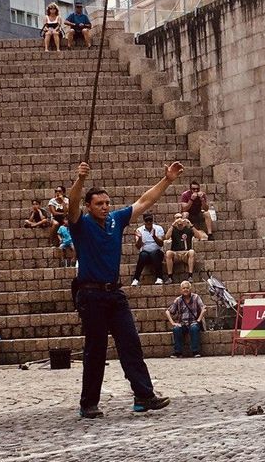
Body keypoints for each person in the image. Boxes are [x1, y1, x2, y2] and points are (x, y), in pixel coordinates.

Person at [67, 160, 182, 419]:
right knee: (95, 349)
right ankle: (88, 403)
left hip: (114, 293)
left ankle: (143, 396)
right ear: (88, 206)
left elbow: (144, 201)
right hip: (90, 293)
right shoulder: (80, 224)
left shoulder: (115, 220)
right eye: (99, 203)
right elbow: (72, 205)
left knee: (131, 343)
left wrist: (167, 180)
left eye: (107, 203)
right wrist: (80, 179)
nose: (105, 207)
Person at [165, 281, 206, 358]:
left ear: (190, 289)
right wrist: (173, 323)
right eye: (183, 288)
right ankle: (178, 352)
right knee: (176, 329)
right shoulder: (178, 300)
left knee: (194, 328)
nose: (185, 290)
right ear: (181, 290)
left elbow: (203, 309)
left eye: (187, 288)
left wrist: (198, 320)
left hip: (193, 322)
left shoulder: (196, 297)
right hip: (183, 323)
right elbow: (168, 311)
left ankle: (195, 351)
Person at [131, 213, 165, 286]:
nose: (149, 222)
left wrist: (154, 237)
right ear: (144, 221)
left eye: (150, 220)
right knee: (143, 255)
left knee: (154, 253)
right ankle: (136, 279)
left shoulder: (158, 228)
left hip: (157, 254)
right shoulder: (139, 230)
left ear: (152, 220)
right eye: (147, 220)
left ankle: (159, 277)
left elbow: (161, 244)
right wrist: (140, 238)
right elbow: (138, 247)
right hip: (146, 255)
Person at [164, 213, 196, 284]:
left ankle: (190, 276)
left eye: (181, 217)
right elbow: (166, 237)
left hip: (186, 253)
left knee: (192, 252)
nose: (179, 219)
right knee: (168, 253)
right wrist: (172, 225)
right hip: (176, 253)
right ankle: (170, 277)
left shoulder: (188, 229)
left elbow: (199, 236)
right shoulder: (173, 229)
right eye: (177, 218)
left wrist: (191, 225)